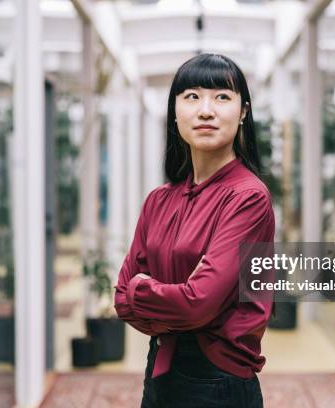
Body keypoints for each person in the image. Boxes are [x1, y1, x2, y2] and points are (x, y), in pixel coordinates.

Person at [114, 53, 275, 408]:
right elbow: (121, 299)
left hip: (217, 379)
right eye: (192, 97)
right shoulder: (159, 200)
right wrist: (163, 295)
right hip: (160, 369)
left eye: (222, 97)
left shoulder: (248, 198)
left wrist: (143, 287)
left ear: (243, 111)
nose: (206, 110)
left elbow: (196, 304)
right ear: (175, 111)